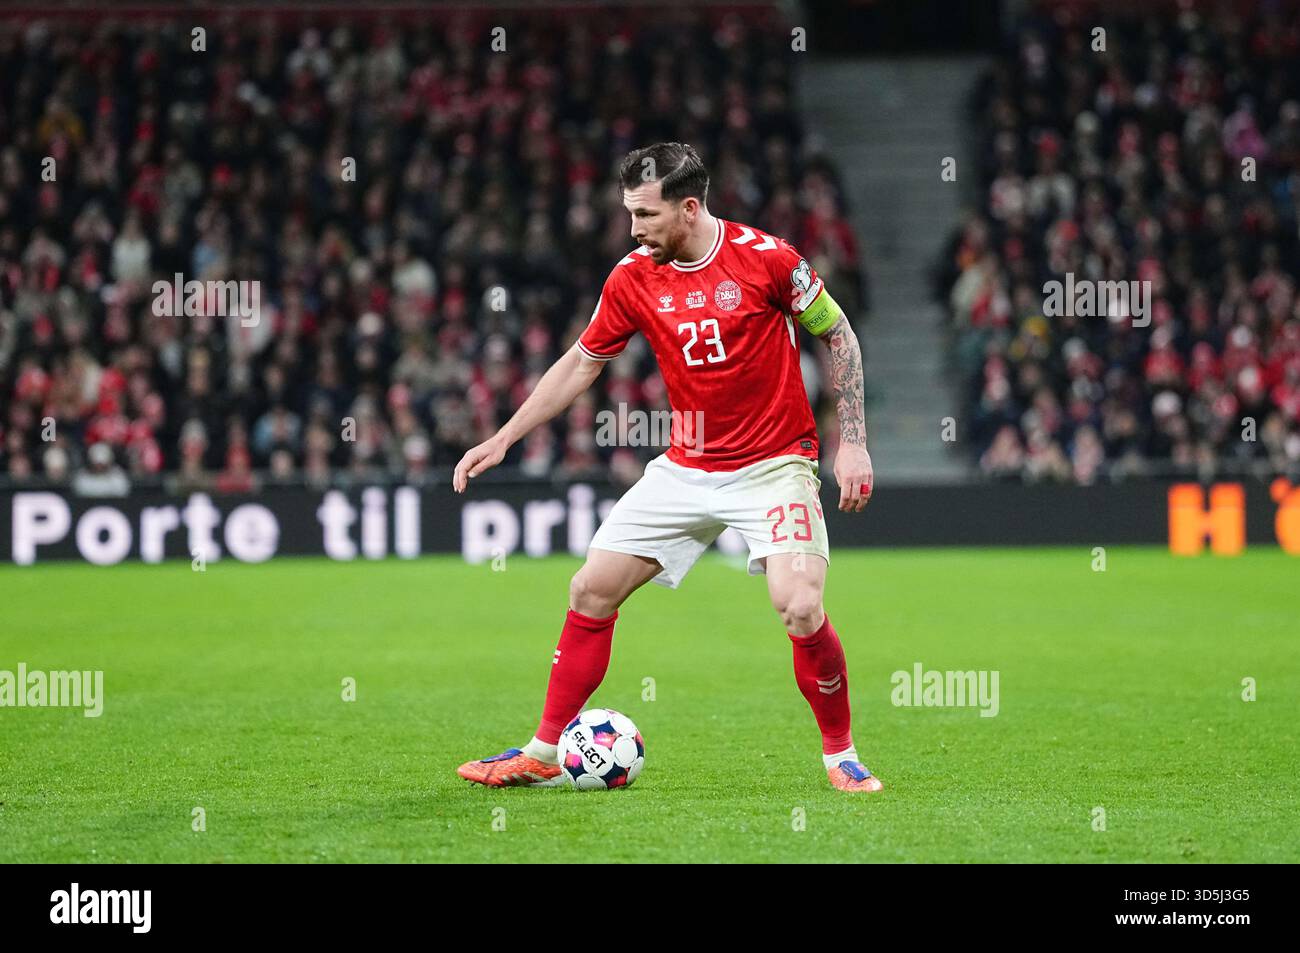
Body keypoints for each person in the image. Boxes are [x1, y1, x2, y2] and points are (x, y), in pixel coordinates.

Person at [452, 143, 879, 792]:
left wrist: (853, 440)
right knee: (589, 589)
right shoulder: (632, 276)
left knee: (799, 604)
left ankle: (840, 752)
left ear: (688, 207)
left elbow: (838, 332)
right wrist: (506, 435)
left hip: (774, 464)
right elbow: (581, 361)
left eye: (645, 215)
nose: (633, 229)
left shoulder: (768, 260)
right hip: (685, 468)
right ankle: (542, 751)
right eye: (628, 214)